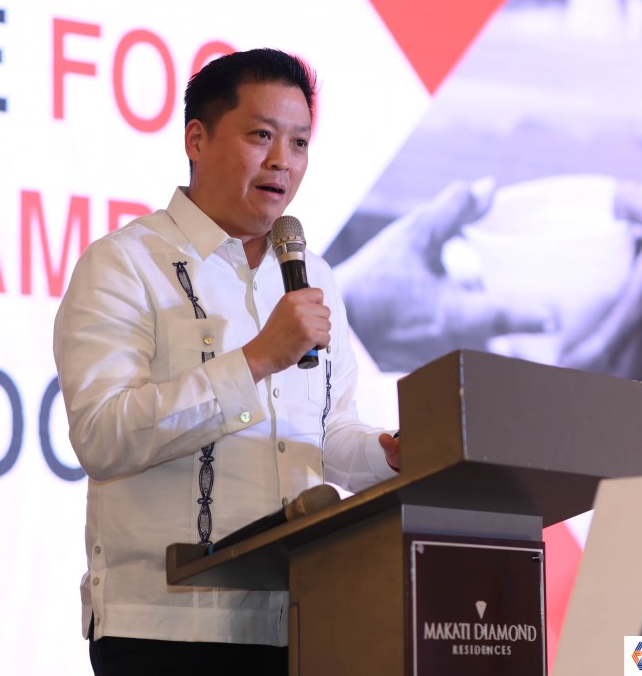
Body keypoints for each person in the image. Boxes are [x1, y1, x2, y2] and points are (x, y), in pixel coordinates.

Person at [53, 48, 400, 675]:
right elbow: (103, 436)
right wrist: (258, 358)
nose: (282, 160)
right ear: (196, 138)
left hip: (304, 619)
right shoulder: (125, 264)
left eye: (299, 142)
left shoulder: (313, 276)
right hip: (167, 631)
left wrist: (390, 454)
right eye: (261, 135)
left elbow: (325, 434)